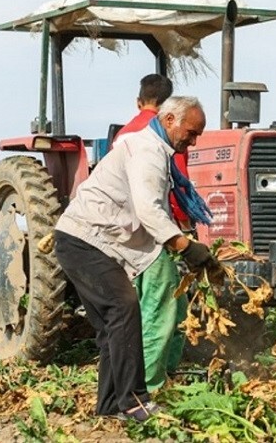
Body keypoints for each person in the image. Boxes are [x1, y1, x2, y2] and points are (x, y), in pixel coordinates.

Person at [54, 96, 219, 421]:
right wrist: (188, 247)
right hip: (84, 240)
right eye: (191, 131)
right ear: (169, 119)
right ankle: (134, 401)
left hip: (88, 242)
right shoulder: (148, 151)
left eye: (199, 134)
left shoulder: (156, 150)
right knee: (124, 308)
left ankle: (110, 407)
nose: (194, 139)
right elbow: (148, 211)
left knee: (112, 329)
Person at [115, 74, 191, 393]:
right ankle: (147, 385)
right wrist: (187, 230)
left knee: (172, 300)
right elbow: (180, 187)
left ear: (138, 101)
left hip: (122, 227)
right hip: (152, 231)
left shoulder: (123, 134)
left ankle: (165, 369)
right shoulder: (166, 135)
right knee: (160, 306)